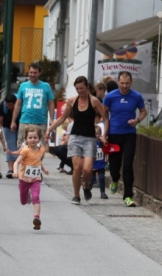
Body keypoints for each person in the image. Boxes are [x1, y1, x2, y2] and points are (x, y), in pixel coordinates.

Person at [46, 76, 108, 204]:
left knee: (87, 169)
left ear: (87, 87)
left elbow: (106, 119)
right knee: (77, 167)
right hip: (75, 137)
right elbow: (62, 118)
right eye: (77, 88)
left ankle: (86, 185)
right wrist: (49, 129)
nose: (80, 91)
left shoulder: (94, 101)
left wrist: (104, 135)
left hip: (89, 138)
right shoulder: (72, 101)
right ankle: (76, 195)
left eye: (82, 88)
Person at [101, 71, 147, 207]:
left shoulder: (136, 96)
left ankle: (128, 196)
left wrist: (137, 120)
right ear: (118, 82)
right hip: (114, 134)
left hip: (129, 134)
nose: (125, 86)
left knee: (127, 165)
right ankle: (115, 179)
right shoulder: (110, 96)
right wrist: (104, 134)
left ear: (131, 83)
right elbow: (104, 114)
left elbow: (143, 111)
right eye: (122, 83)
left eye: (127, 83)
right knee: (114, 167)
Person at [14, 126, 49, 230]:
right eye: (30, 137)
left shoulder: (41, 150)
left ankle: (36, 217)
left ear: (39, 139)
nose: (32, 140)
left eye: (35, 137)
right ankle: (27, 197)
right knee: (23, 201)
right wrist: (15, 171)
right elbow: (16, 162)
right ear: (26, 139)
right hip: (24, 179)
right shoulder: (25, 151)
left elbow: (38, 161)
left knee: (36, 196)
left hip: (35, 179)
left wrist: (44, 169)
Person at [11, 62, 54, 142]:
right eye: (31, 72)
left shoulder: (46, 86)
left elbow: (51, 104)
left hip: (41, 122)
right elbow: (18, 104)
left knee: (41, 146)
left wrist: (51, 119)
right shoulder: (23, 86)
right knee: (22, 146)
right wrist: (13, 121)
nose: (32, 74)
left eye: (35, 73)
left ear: (39, 73)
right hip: (25, 121)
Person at [0, 93, 19, 177]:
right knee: (10, 145)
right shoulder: (2, 105)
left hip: (20, 125)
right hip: (7, 126)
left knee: (20, 146)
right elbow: (0, 117)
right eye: (7, 105)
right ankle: (10, 169)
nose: (9, 107)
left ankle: (18, 169)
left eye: (11, 105)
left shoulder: (20, 104)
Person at [92, 126, 109, 199]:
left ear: (100, 134)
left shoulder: (102, 143)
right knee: (92, 179)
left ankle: (103, 193)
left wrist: (107, 157)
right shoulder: (90, 143)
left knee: (101, 177)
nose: (96, 135)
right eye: (94, 133)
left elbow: (106, 150)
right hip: (92, 164)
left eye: (97, 133)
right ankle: (88, 189)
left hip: (101, 164)